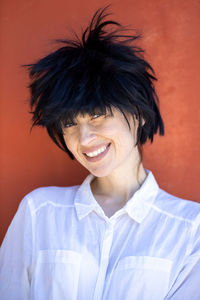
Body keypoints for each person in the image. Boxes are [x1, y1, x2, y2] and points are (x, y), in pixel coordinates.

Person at [0, 6, 200, 300]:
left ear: (138, 112)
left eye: (97, 116)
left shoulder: (189, 229)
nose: (84, 138)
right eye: (70, 123)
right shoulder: (39, 212)